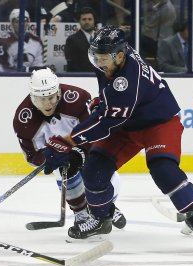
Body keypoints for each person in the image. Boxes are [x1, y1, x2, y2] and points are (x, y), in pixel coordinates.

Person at [40, 26, 193, 251]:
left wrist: (68, 142)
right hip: (127, 122)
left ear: (120, 56)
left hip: (159, 122)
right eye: (96, 57)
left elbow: (105, 122)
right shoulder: (113, 57)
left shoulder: (127, 80)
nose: (98, 63)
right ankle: (101, 219)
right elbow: (110, 105)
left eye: (102, 59)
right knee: (94, 169)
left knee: (164, 170)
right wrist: (104, 101)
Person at [12, 68, 127, 233]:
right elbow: (31, 156)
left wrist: (79, 152)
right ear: (32, 96)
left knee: (105, 174)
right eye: (41, 99)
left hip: (87, 148)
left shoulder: (78, 99)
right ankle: (81, 214)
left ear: (58, 92)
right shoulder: (24, 119)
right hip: (60, 156)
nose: (48, 104)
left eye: (51, 97)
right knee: (63, 169)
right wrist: (48, 157)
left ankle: (105, 206)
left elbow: (97, 133)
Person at [64, 7, 96, 72]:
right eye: (84, 19)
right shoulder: (72, 40)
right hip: (80, 78)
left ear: (94, 21)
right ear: (79, 21)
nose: (87, 22)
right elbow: (72, 64)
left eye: (90, 19)